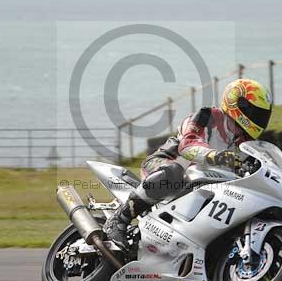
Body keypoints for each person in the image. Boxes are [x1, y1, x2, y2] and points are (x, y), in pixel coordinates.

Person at [103, 78, 273, 250]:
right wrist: (216, 156)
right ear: (237, 103)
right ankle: (118, 220)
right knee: (174, 170)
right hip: (164, 165)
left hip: (201, 188)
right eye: (255, 113)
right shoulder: (208, 117)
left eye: (263, 116)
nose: (258, 119)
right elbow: (188, 146)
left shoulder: (246, 146)